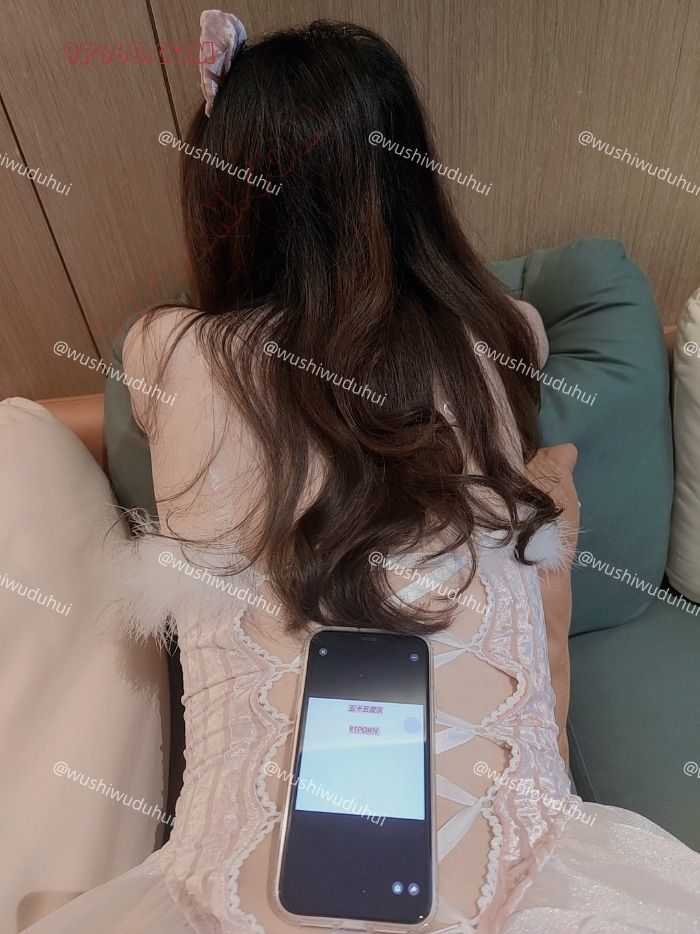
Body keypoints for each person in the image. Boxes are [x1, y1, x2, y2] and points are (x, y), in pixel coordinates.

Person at [27, 11, 700, 933]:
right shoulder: (504, 332)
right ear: (410, 182)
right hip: (539, 879)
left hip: (224, 894)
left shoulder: (163, 347)